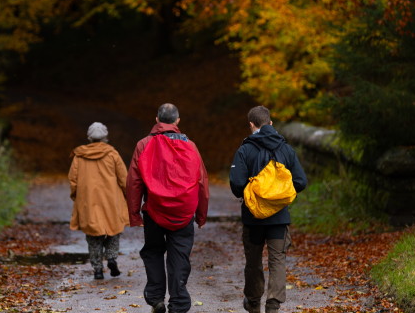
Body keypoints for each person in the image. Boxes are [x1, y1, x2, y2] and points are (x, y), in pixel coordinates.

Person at [126, 103, 209, 313]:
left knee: (153, 251)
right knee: (179, 255)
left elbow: (134, 182)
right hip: (183, 211)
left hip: (154, 209)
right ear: (177, 121)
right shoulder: (190, 146)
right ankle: (179, 303)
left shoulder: (144, 144)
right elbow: (201, 181)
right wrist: (200, 214)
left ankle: (156, 298)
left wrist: (134, 212)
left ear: (157, 120)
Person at [229, 106, 308, 313]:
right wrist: (279, 196)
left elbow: (236, 184)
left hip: (253, 217)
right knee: (277, 261)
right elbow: (300, 181)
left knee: (253, 262)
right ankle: (273, 304)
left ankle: (253, 302)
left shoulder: (245, 149)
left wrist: (253, 194)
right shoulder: (285, 149)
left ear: (251, 125)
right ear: (271, 123)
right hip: (279, 219)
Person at [69, 122, 130, 280]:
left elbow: (73, 180)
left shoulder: (79, 156)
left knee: (93, 235)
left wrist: (77, 196)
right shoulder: (112, 154)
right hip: (111, 201)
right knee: (113, 231)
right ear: (106, 137)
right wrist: (127, 194)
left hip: (89, 201)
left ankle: (97, 268)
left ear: (89, 138)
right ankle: (111, 258)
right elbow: (123, 178)